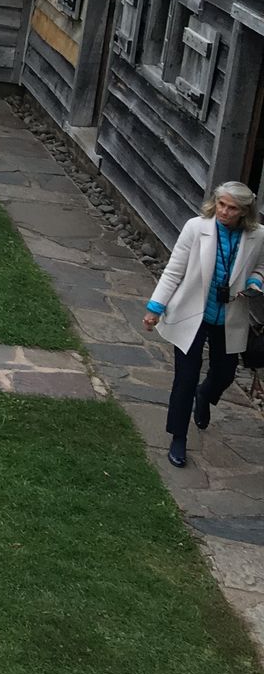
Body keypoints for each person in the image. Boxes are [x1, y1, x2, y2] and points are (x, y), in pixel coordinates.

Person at [144, 181, 264, 468]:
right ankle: (178, 437)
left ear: (244, 211)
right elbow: (174, 269)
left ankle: (205, 394)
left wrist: (255, 281)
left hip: (229, 316)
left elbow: (261, 266)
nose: (224, 211)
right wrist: (155, 307)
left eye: (232, 207)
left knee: (224, 374)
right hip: (191, 315)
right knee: (185, 378)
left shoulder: (257, 235)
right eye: (221, 204)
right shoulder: (196, 228)